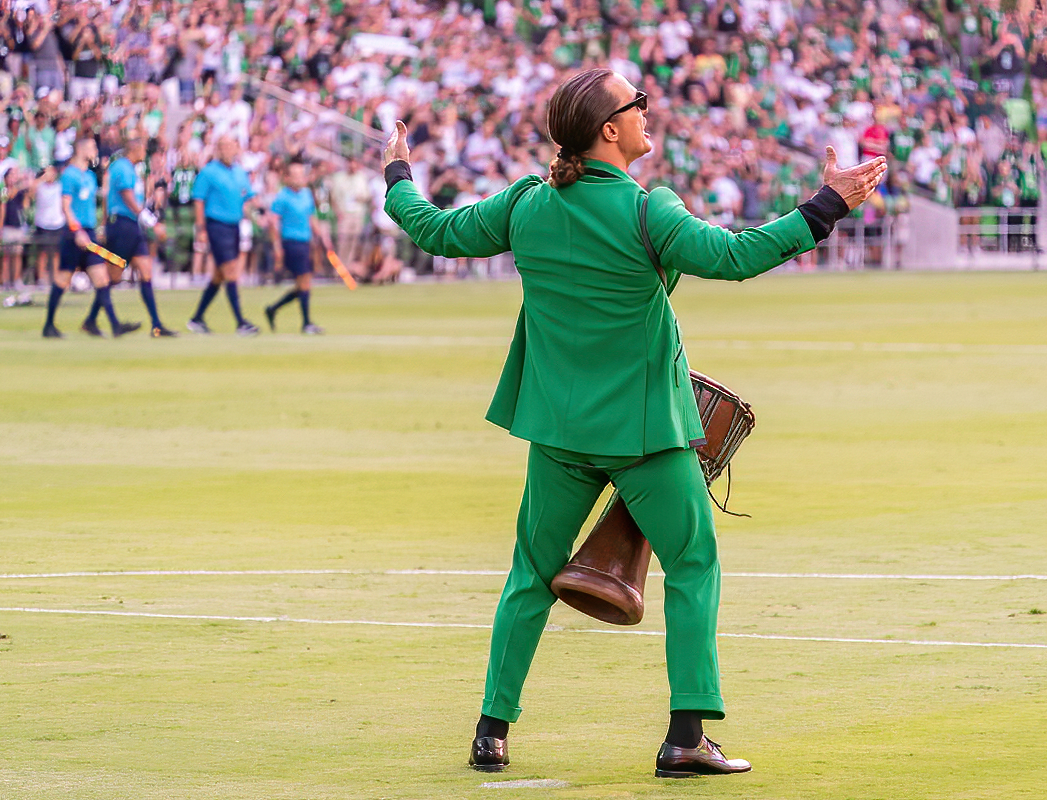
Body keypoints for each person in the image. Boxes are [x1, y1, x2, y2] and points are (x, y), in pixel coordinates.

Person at [381, 68, 886, 778]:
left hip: (558, 432)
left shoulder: (526, 202)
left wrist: (397, 172)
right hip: (647, 434)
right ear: (609, 129)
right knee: (693, 563)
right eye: (636, 104)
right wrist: (827, 204)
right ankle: (685, 738)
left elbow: (431, 229)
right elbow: (736, 257)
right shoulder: (651, 210)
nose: (648, 111)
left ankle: (491, 731)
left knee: (530, 574)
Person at [42, 137, 140, 339]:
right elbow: (66, 206)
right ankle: (49, 325)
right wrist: (76, 230)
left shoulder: (89, 175)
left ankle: (114, 325)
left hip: (90, 233)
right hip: (75, 234)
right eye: (93, 147)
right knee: (63, 279)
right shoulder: (69, 174)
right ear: (81, 149)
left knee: (102, 278)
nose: (95, 150)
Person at [186, 135, 259, 335]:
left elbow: (248, 198)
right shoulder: (209, 172)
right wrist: (201, 229)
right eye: (223, 146)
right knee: (231, 271)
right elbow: (198, 200)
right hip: (217, 225)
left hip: (234, 226)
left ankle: (197, 318)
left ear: (236, 148)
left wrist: (260, 216)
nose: (226, 150)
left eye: (230, 146)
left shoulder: (239, 172)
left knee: (219, 276)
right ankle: (240, 322)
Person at [105, 136, 177, 337]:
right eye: (142, 149)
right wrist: (151, 221)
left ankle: (157, 325)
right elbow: (128, 199)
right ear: (134, 149)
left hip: (132, 225)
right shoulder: (122, 167)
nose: (144, 153)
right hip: (122, 224)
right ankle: (95, 319)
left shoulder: (131, 169)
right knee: (113, 276)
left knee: (146, 272)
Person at [265, 158, 324, 335]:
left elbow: (311, 217)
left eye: (301, 175)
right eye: (295, 175)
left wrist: (321, 236)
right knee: (304, 282)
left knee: (302, 285)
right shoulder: (282, 196)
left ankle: (273, 309)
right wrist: (277, 247)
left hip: (305, 242)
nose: (299, 178)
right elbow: (273, 222)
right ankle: (306, 323)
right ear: (287, 178)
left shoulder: (306, 194)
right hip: (291, 242)